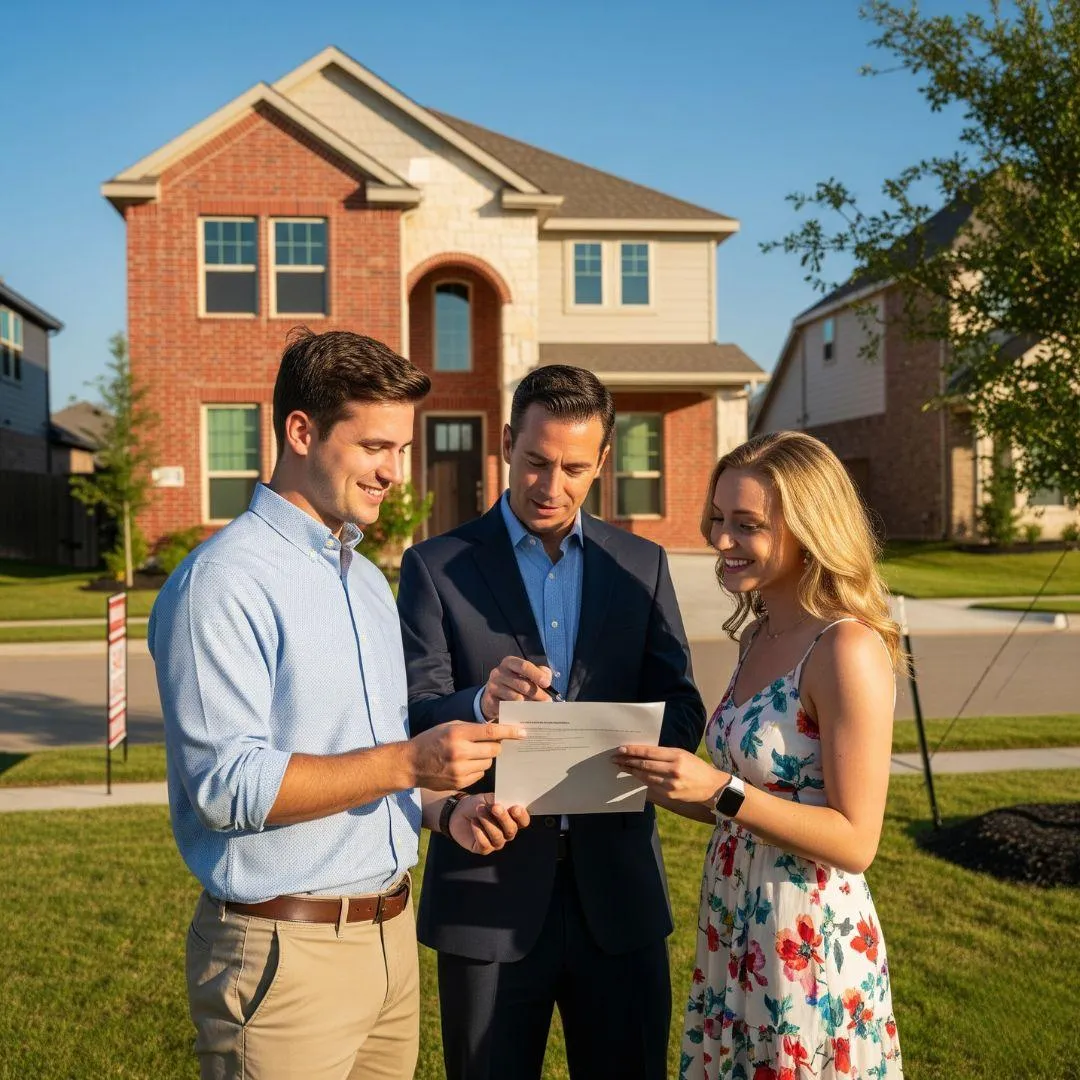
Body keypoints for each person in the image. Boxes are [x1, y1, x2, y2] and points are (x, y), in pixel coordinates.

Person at [148, 329, 526, 1080]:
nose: (394, 472)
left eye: (402, 450)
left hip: (390, 943)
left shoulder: (364, 579)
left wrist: (442, 809)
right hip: (283, 957)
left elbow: (357, 753)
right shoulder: (222, 582)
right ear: (301, 431)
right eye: (375, 447)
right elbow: (228, 789)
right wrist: (410, 762)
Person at [396, 363, 707, 1080]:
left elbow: (683, 703)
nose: (551, 485)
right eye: (536, 461)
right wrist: (480, 704)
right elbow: (412, 714)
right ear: (507, 442)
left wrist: (629, 748)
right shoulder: (434, 567)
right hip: (486, 888)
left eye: (573, 468)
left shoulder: (642, 565)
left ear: (602, 461)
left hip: (619, 894)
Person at [615, 431, 904, 1080]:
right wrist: (645, 776)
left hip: (806, 940)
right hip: (734, 922)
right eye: (718, 519)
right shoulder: (759, 634)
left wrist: (719, 789)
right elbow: (737, 803)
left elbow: (856, 841)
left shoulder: (845, 648)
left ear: (808, 531)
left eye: (747, 525)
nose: (721, 540)